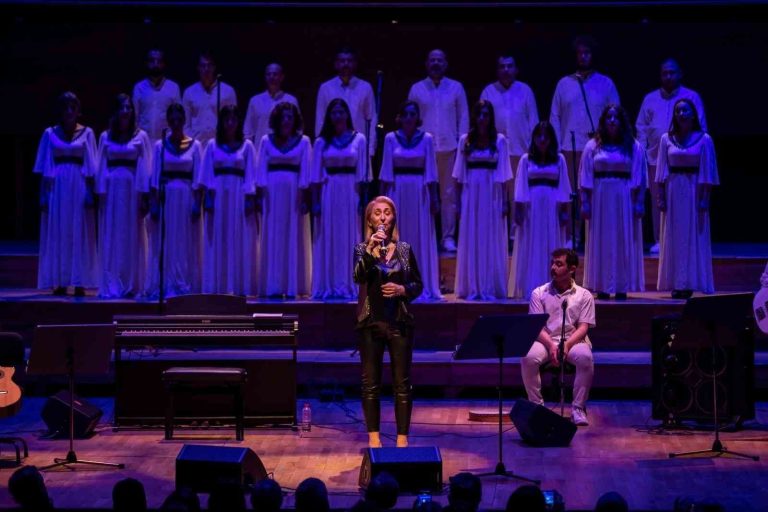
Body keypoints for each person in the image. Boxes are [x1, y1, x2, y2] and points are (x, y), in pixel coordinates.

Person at [354, 196, 423, 448]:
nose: (383, 216)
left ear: (393, 218)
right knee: (370, 384)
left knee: (402, 383)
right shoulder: (362, 250)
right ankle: (374, 439)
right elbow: (358, 276)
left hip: (399, 322)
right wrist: (370, 251)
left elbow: (418, 284)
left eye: (387, 212)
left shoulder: (404, 250)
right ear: (370, 221)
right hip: (371, 323)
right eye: (377, 213)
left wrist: (402, 289)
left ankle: (402, 440)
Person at [550, 36, 620, 245]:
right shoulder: (563, 84)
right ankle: (572, 235)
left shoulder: (606, 83)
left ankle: (594, 234)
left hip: (598, 148)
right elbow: (555, 116)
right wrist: (556, 146)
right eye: (580, 53)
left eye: (587, 53)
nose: (583, 56)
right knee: (570, 193)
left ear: (593, 55)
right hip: (569, 147)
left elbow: (616, 114)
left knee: (592, 192)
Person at [636, 58, 707, 254]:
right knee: (658, 198)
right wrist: (642, 152)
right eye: (664, 73)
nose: (668, 76)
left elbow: (701, 126)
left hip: (685, 158)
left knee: (685, 198)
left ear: (680, 74)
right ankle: (660, 239)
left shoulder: (691, 97)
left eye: (672, 72)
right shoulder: (650, 99)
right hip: (654, 157)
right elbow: (641, 127)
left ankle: (688, 238)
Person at [34, 91, 99, 297]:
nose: (69, 111)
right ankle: (60, 280)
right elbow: (43, 166)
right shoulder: (49, 133)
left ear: (78, 111)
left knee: (79, 230)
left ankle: (80, 281)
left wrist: (90, 192)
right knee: (59, 230)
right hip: (57, 186)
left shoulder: (87, 133)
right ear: (60, 111)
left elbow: (92, 166)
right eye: (65, 107)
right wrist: (43, 194)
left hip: (78, 184)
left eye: (73, 107)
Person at [520, 248, 595, 426]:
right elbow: (536, 327)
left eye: (559, 264)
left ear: (572, 269)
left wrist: (567, 345)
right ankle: (537, 407)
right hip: (545, 340)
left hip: (573, 340)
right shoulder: (539, 293)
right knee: (528, 357)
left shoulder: (584, 295)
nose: (553, 267)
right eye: (552, 263)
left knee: (586, 358)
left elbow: (583, 327)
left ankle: (577, 408)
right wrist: (551, 346)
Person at [580, 104, 646, 300]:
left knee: (622, 238)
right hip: (600, 197)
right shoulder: (592, 146)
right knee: (601, 238)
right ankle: (602, 284)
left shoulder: (633, 146)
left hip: (623, 197)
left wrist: (639, 202)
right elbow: (585, 176)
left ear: (622, 121)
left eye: (616, 117)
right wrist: (585, 202)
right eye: (608, 117)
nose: (612, 120)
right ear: (603, 121)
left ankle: (621, 285)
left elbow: (640, 177)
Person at [379, 100, 442, 300]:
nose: (409, 118)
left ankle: (418, 283)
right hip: (397, 191)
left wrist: (434, 198)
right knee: (398, 237)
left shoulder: (427, 139)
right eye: (405, 114)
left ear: (417, 117)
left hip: (419, 192)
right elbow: (385, 172)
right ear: (400, 117)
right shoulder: (391, 138)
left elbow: (431, 172)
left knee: (418, 235)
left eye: (412, 114)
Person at [656, 99, 718, 298]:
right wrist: (661, 197)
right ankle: (677, 282)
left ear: (693, 114)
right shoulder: (666, 139)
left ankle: (691, 281)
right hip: (674, 191)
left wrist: (705, 198)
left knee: (693, 236)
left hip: (694, 191)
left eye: (685, 110)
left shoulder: (704, 139)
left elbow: (708, 172)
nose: (681, 114)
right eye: (678, 111)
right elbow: (661, 171)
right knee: (675, 237)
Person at [408, 49, 469, 252]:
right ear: (427, 63)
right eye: (432, 60)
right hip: (423, 149)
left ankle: (448, 237)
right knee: (424, 194)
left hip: (449, 148)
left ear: (446, 64)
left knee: (448, 195)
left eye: (439, 60)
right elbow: (410, 118)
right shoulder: (417, 89)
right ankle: (426, 236)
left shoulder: (456, 88)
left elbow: (463, 118)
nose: (435, 63)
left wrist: (463, 147)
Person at [311, 98, 371, 299]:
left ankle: (349, 283)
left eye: (341, 112)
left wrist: (363, 200)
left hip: (350, 191)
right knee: (329, 235)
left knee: (349, 236)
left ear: (347, 115)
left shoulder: (359, 139)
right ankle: (329, 283)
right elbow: (315, 176)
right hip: (329, 191)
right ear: (329, 116)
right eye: (334, 112)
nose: (338, 116)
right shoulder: (321, 142)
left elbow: (364, 174)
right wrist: (316, 201)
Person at [452, 100, 512, 300]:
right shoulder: (465, 140)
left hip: (492, 194)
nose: (482, 119)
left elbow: (504, 175)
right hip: (471, 194)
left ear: (491, 117)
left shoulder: (500, 141)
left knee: (490, 237)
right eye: (479, 114)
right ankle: (472, 285)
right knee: (473, 236)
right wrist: (458, 203)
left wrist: (505, 201)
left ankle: (490, 284)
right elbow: (458, 175)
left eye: (486, 115)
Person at [96, 93, 153, 298]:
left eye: (129, 107)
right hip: (112, 191)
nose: (126, 111)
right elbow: (101, 165)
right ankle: (113, 281)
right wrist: (100, 193)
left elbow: (146, 166)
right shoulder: (105, 136)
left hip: (132, 189)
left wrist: (145, 196)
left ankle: (133, 283)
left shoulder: (141, 136)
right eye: (122, 107)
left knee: (131, 233)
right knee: (113, 234)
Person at [480, 53, 539, 249]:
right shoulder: (489, 91)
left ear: (516, 69)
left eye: (509, 66)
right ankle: (496, 235)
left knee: (517, 195)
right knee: (497, 195)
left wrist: (532, 150)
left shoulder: (526, 91)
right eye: (502, 66)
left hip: (519, 151)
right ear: (497, 70)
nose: (506, 70)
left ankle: (516, 235)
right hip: (494, 153)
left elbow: (533, 122)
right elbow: (481, 121)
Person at [145, 103, 204, 298]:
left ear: (184, 120)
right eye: (173, 120)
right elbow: (154, 178)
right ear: (168, 122)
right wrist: (154, 204)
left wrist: (197, 203)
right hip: (167, 197)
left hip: (186, 196)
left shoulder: (195, 146)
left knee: (185, 240)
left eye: (179, 119)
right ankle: (167, 282)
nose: (176, 123)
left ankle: (185, 282)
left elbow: (198, 178)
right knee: (167, 239)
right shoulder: (160, 146)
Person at [198, 105, 257, 296]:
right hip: (219, 197)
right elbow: (206, 174)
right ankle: (218, 284)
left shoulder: (247, 146)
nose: (230, 123)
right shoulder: (212, 145)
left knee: (238, 236)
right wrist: (208, 197)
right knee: (219, 236)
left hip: (238, 195)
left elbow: (251, 174)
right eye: (226, 120)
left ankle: (238, 285)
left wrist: (249, 198)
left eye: (233, 119)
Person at [254, 102, 312, 297]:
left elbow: (306, 172)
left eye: (290, 117)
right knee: (272, 235)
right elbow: (260, 170)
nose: (286, 121)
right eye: (283, 117)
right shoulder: (266, 140)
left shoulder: (304, 141)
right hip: (271, 194)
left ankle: (292, 285)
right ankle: (273, 285)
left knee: (292, 234)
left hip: (294, 194)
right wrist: (259, 197)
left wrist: (304, 198)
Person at [508, 121, 571, 299]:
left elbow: (563, 187)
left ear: (551, 139)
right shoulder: (526, 159)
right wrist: (518, 210)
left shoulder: (559, 159)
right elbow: (520, 186)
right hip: (532, 209)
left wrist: (564, 210)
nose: (542, 140)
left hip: (551, 208)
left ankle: (552, 287)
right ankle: (532, 286)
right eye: (539, 136)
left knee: (551, 244)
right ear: (534, 138)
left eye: (546, 136)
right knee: (532, 245)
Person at [315, 46, 377, 156]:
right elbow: (320, 119)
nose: (346, 64)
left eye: (349, 61)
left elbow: (371, 120)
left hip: (358, 147)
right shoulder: (326, 88)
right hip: (331, 147)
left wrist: (370, 148)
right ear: (336, 64)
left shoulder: (365, 87)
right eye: (342, 61)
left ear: (355, 64)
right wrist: (319, 147)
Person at [182, 51, 237, 145]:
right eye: (203, 66)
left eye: (209, 65)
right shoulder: (189, 92)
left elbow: (234, 121)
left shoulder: (228, 91)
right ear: (198, 68)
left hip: (220, 145)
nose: (206, 69)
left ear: (214, 67)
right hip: (197, 145)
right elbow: (185, 125)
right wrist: (192, 143)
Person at [132, 48, 182, 142]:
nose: (156, 64)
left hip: (167, 142)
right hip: (143, 141)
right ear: (147, 63)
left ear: (164, 64)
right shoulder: (139, 88)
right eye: (152, 61)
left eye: (159, 61)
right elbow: (135, 117)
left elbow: (178, 118)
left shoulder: (173, 88)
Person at [244, 62, 300, 145]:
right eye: (268, 74)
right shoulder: (255, 101)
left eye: (275, 74)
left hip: (286, 150)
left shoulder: (291, 101)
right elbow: (248, 131)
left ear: (282, 77)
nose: (271, 77)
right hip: (261, 150)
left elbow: (298, 129)